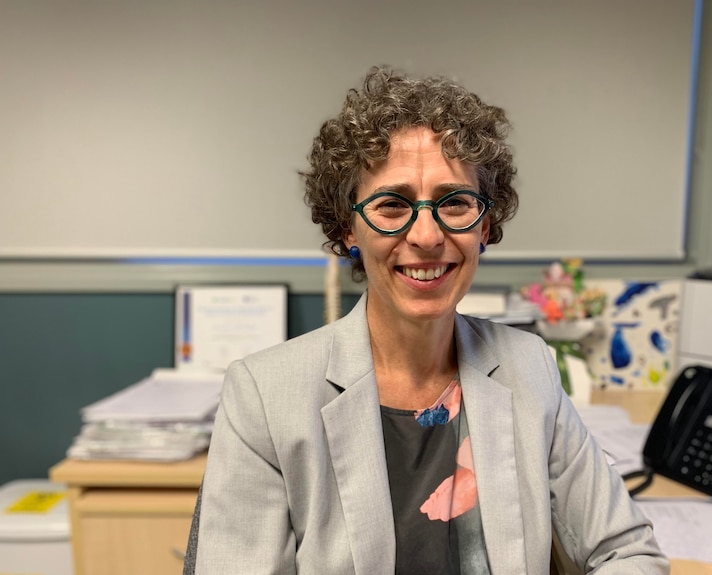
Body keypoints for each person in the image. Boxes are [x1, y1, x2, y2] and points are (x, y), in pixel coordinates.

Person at [184, 66, 669, 574]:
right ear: (348, 229)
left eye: (454, 203)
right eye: (392, 205)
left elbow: (628, 551)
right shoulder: (264, 395)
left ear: (485, 225)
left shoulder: (530, 369)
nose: (427, 236)